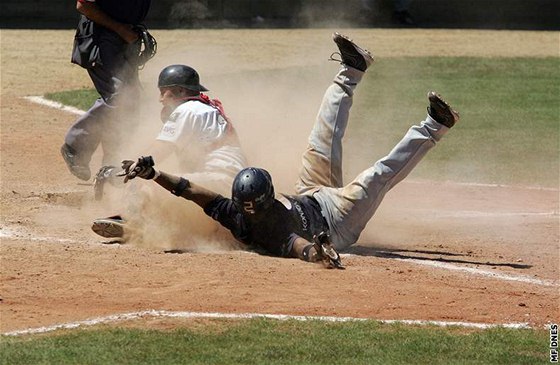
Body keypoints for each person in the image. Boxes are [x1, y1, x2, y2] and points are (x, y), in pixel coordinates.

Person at [118, 33, 460, 268]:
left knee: (320, 136)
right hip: (339, 219)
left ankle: (352, 69)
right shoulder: (272, 230)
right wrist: (321, 253)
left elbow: (191, 191)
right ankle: (436, 125)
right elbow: (300, 246)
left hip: (309, 194)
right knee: (379, 175)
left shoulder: (236, 215)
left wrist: (154, 172)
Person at [91, 64, 248, 243]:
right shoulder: (207, 110)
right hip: (235, 193)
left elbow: (157, 153)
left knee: (150, 180)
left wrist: (122, 172)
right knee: (172, 187)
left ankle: (131, 222)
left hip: (216, 183)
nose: (160, 99)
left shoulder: (187, 110)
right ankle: (206, 228)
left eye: (163, 92)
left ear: (179, 91)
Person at [61, 0, 152, 181]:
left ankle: (112, 167)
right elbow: (83, 5)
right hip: (103, 38)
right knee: (120, 97)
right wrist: (120, 29)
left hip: (125, 38)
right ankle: (76, 147)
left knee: (131, 102)